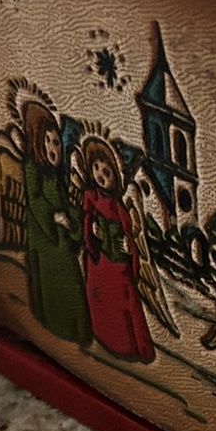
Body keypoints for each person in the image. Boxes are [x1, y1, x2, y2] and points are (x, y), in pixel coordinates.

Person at [20, 102, 90, 346]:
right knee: (57, 282)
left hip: (59, 238)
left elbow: (64, 201)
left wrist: (73, 220)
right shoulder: (32, 168)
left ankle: (77, 332)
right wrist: (53, 217)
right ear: (38, 142)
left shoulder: (55, 176)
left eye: (56, 142)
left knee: (71, 280)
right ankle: (62, 329)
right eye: (48, 141)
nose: (53, 148)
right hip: (45, 240)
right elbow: (34, 198)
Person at [80, 136, 155, 362]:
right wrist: (92, 232)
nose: (101, 175)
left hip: (117, 265)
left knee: (123, 305)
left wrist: (127, 249)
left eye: (107, 172)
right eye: (97, 169)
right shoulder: (90, 198)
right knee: (101, 299)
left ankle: (130, 348)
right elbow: (85, 222)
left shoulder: (119, 207)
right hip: (100, 261)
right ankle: (103, 336)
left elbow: (131, 238)